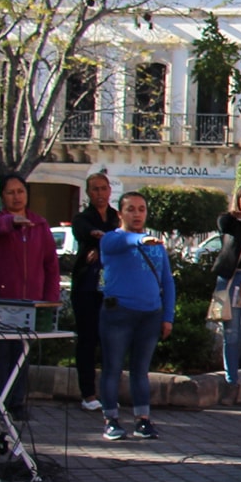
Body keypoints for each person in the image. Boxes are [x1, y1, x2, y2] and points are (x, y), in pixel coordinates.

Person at [96, 192, 176, 441]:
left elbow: (167, 281)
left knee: (140, 370)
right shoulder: (111, 240)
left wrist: (168, 316)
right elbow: (121, 243)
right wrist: (141, 241)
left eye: (141, 209)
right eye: (131, 209)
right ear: (120, 214)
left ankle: (143, 419)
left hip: (149, 315)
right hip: (118, 313)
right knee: (113, 369)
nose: (137, 214)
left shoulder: (156, 245)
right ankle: (111, 419)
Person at [0, 172, 61, 420]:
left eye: (20, 191)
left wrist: (50, 298)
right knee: (0, 355)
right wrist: (12, 223)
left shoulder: (40, 224)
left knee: (21, 354)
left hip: (30, 301)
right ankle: (0, 403)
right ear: (2, 196)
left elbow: (50, 264)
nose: (16, 197)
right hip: (3, 300)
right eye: (10, 192)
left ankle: (17, 402)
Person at [69, 171, 121, 411]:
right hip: (87, 287)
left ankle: (110, 393)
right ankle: (88, 393)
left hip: (111, 287)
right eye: (95, 189)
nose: (100, 193)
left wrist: (102, 249)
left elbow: (121, 240)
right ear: (89, 193)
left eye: (103, 188)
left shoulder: (115, 217)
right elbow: (86, 232)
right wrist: (102, 241)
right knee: (87, 340)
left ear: (110, 190)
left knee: (111, 342)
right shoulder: (83, 218)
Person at [215, 183, 241, 407]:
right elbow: (223, 225)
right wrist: (240, 218)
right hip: (229, 280)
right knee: (231, 336)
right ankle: (231, 384)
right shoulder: (230, 221)